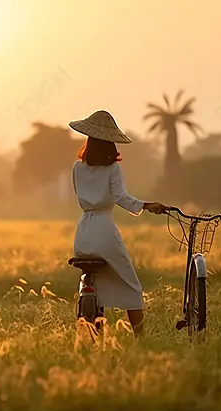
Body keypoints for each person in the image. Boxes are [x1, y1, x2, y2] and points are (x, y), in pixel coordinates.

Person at [68, 110, 168, 335]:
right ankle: (141, 339)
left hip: (83, 232)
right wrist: (146, 205)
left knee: (96, 285)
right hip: (103, 230)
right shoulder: (113, 169)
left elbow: (80, 194)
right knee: (132, 288)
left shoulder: (77, 168)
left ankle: (93, 334)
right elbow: (120, 197)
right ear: (110, 143)